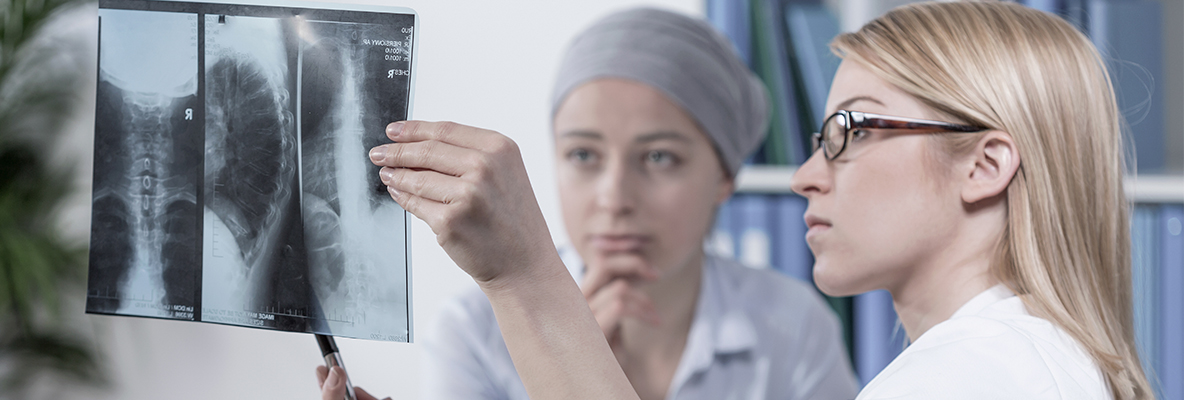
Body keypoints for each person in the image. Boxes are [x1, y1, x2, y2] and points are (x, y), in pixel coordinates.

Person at [324, 1, 1154, 399]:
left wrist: (524, 277)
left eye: (849, 132)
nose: (805, 174)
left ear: (984, 166)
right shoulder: (1021, 361)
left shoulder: (970, 379)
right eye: (583, 153)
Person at [316, 8, 858, 400]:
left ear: (724, 176)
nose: (614, 198)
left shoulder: (794, 328)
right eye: (582, 154)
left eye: (660, 158)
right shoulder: (473, 331)